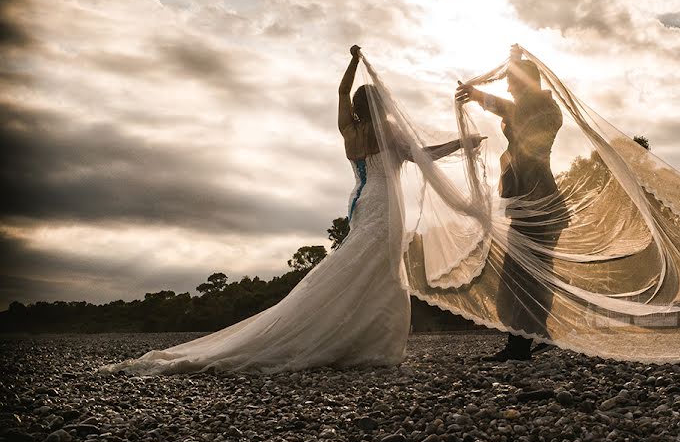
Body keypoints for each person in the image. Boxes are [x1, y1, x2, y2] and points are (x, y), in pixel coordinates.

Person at [101, 45, 481, 375]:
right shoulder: (392, 134)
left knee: (359, 267)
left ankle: (356, 338)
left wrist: (353, 62)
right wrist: (462, 143)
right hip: (385, 206)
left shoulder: (349, 132)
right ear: (382, 108)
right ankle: (369, 343)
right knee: (379, 271)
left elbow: (341, 91)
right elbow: (426, 156)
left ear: (358, 109)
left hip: (362, 202)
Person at [455, 45, 569, 361]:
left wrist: (478, 93)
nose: (507, 86)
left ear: (526, 84)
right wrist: (514, 65)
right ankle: (529, 340)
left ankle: (522, 345)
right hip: (534, 199)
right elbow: (511, 107)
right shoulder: (538, 108)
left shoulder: (539, 110)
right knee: (528, 273)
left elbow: (510, 108)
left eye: (513, 81)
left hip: (538, 200)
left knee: (524, 275)